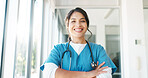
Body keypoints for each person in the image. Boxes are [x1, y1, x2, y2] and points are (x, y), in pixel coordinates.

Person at [40, 7, 117, 78]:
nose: (78, 25)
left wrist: (62, 74)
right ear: (67, 25)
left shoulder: (98, 50)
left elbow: (105, 76)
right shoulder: (58, 49)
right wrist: (89, 74)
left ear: (87, 25)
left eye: (82, 21)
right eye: (73, 21)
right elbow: (49, 73)